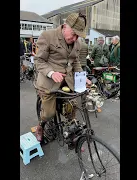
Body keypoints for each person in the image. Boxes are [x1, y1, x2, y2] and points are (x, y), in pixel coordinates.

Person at [34, 13, 91, 143]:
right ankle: (40, 126)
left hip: (67, 83)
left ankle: (71, 136)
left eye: (78, 35)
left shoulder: (77, 43)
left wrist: (83, 77)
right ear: (65, 26)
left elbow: (75, 62)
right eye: (74, 33)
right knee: (49, 114)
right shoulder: (48, 36)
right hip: (49, 83)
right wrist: (51, 73)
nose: (75, 38)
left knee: (72, 110)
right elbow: (39, 61)